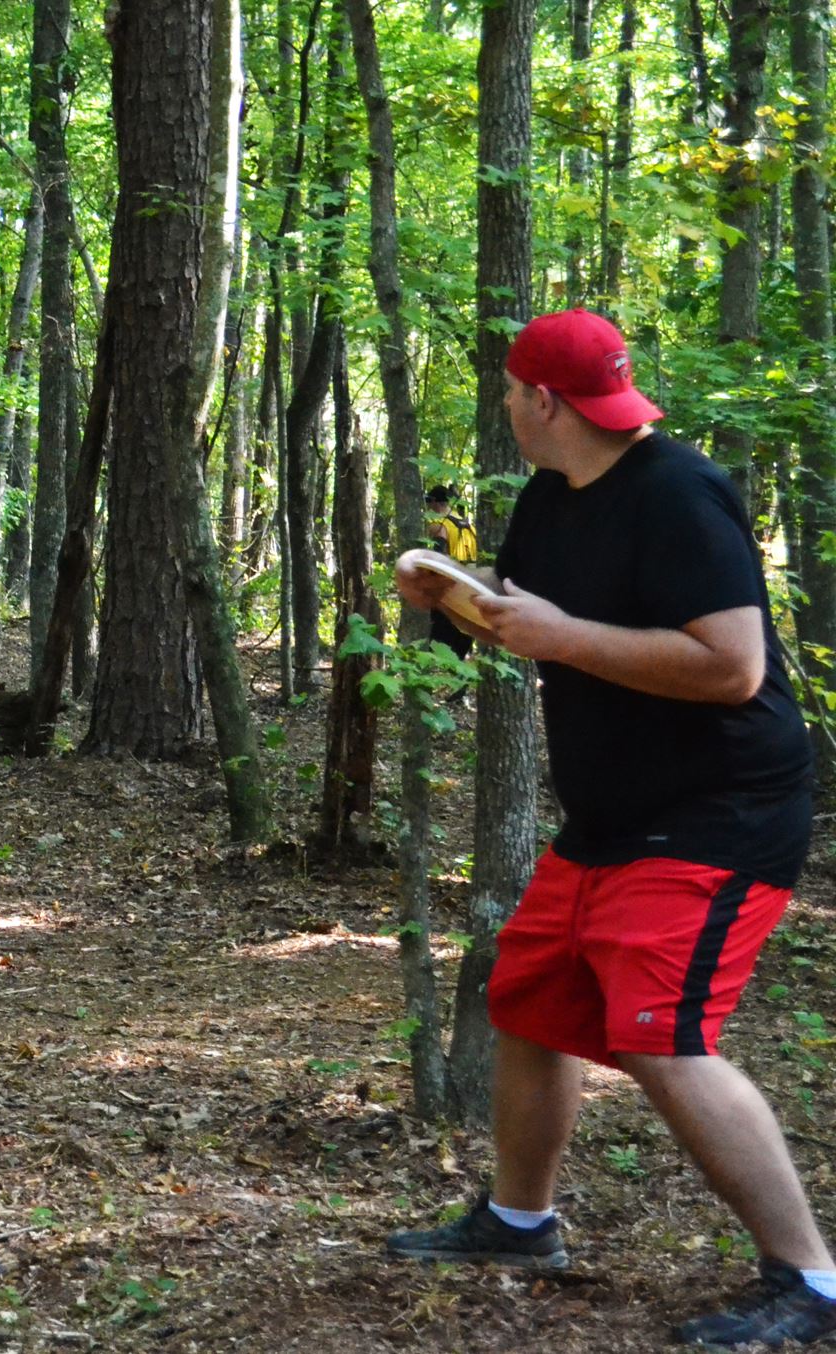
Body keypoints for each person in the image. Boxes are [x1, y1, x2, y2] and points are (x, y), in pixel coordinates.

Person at [388, 309, 829, 1346]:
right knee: (532, 1003)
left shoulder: (678, 494)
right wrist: (458, 596)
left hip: (723, 811)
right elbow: (535, 617)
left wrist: (566, 638)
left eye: (509, 391)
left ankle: (810, 1282)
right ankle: (520, 1221)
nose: (505, 406)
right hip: (612, 816)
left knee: (662, 1037)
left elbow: (734, 667)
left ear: (545, 401)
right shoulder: (549, 499)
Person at [424, 484, 477, 660]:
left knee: (441, 639)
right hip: (472, 585)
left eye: (427, 501)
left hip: (449, 586)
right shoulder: (469, 525)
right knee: (463, 634)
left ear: (435, 502)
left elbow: (438, 554)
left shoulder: (439, 525)